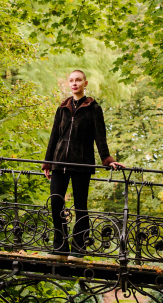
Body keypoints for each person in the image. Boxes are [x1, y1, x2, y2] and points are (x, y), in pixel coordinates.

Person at [42, 70, 124, 258]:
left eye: (78, 80)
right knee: (55, 202)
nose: (74, 83)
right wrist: (47, 162)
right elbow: (54, 136)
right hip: (59, 162)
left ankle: (79, 249)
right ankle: (60, 246)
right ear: (68, 84)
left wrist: (108, 160)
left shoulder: (94, 108)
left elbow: (100, 137)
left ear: (85, 83)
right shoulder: (62, 107)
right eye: (71, 80)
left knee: (80, 205)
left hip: (82, 164)